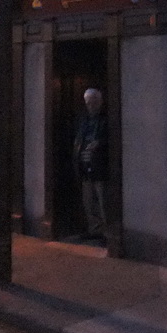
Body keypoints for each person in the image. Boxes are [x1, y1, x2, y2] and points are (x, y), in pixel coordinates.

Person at [72, 88, 108, 241]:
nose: (91, 106)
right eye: (88, 103)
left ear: (100, 102)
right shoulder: (83, 120)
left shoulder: (105, 120)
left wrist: (99, 143)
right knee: (88, 201)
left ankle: (107, 232)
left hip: (100, 165)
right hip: (85, 164)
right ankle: (95, 229)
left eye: (94, 102)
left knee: (103, 200)